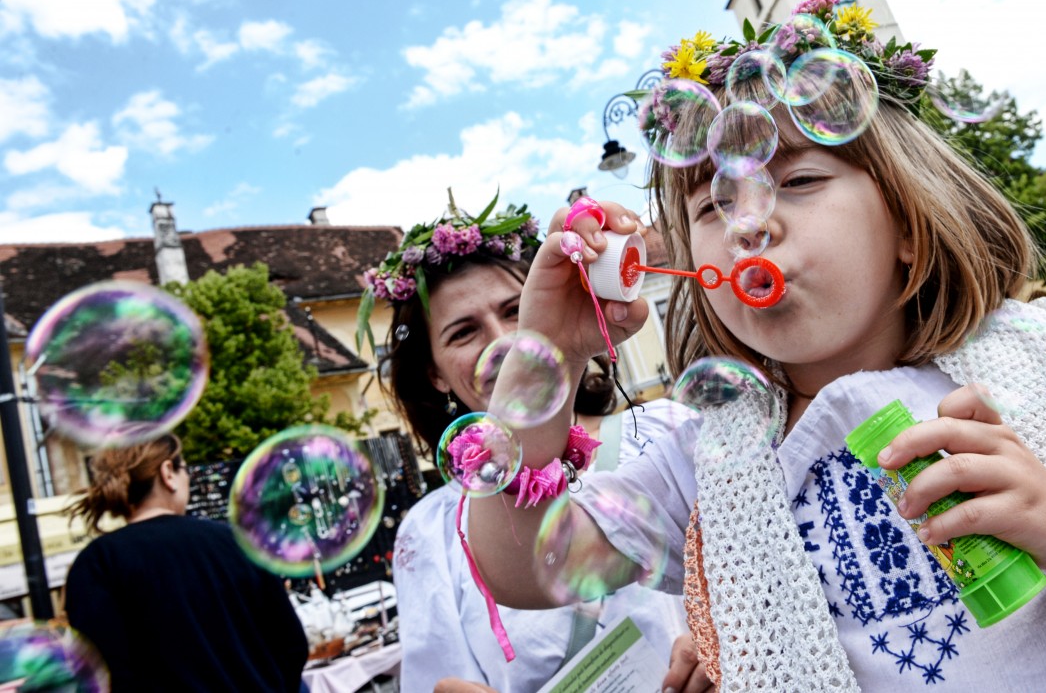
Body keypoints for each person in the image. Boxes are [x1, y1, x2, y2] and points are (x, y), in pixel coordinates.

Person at [465, 0, 1046, 690]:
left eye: (802, 179)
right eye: (714, 204)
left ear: (909, 225)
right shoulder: (713, 457)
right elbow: (531, 565)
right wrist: (548, 353)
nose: (751, 222)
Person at [363, 194, 709, 693]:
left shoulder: (659, 433)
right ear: (435, 374)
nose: (503, 341)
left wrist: (714, 642)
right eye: (464, 333)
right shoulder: (430, 532)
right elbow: (438, 680)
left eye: (515, 311)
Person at [64, 433, 309, 691]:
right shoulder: (239, 542)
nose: (188, 478)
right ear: (167, 472)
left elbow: (100, 673)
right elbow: (291, 645)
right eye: (185, 469)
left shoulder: (97, 563)